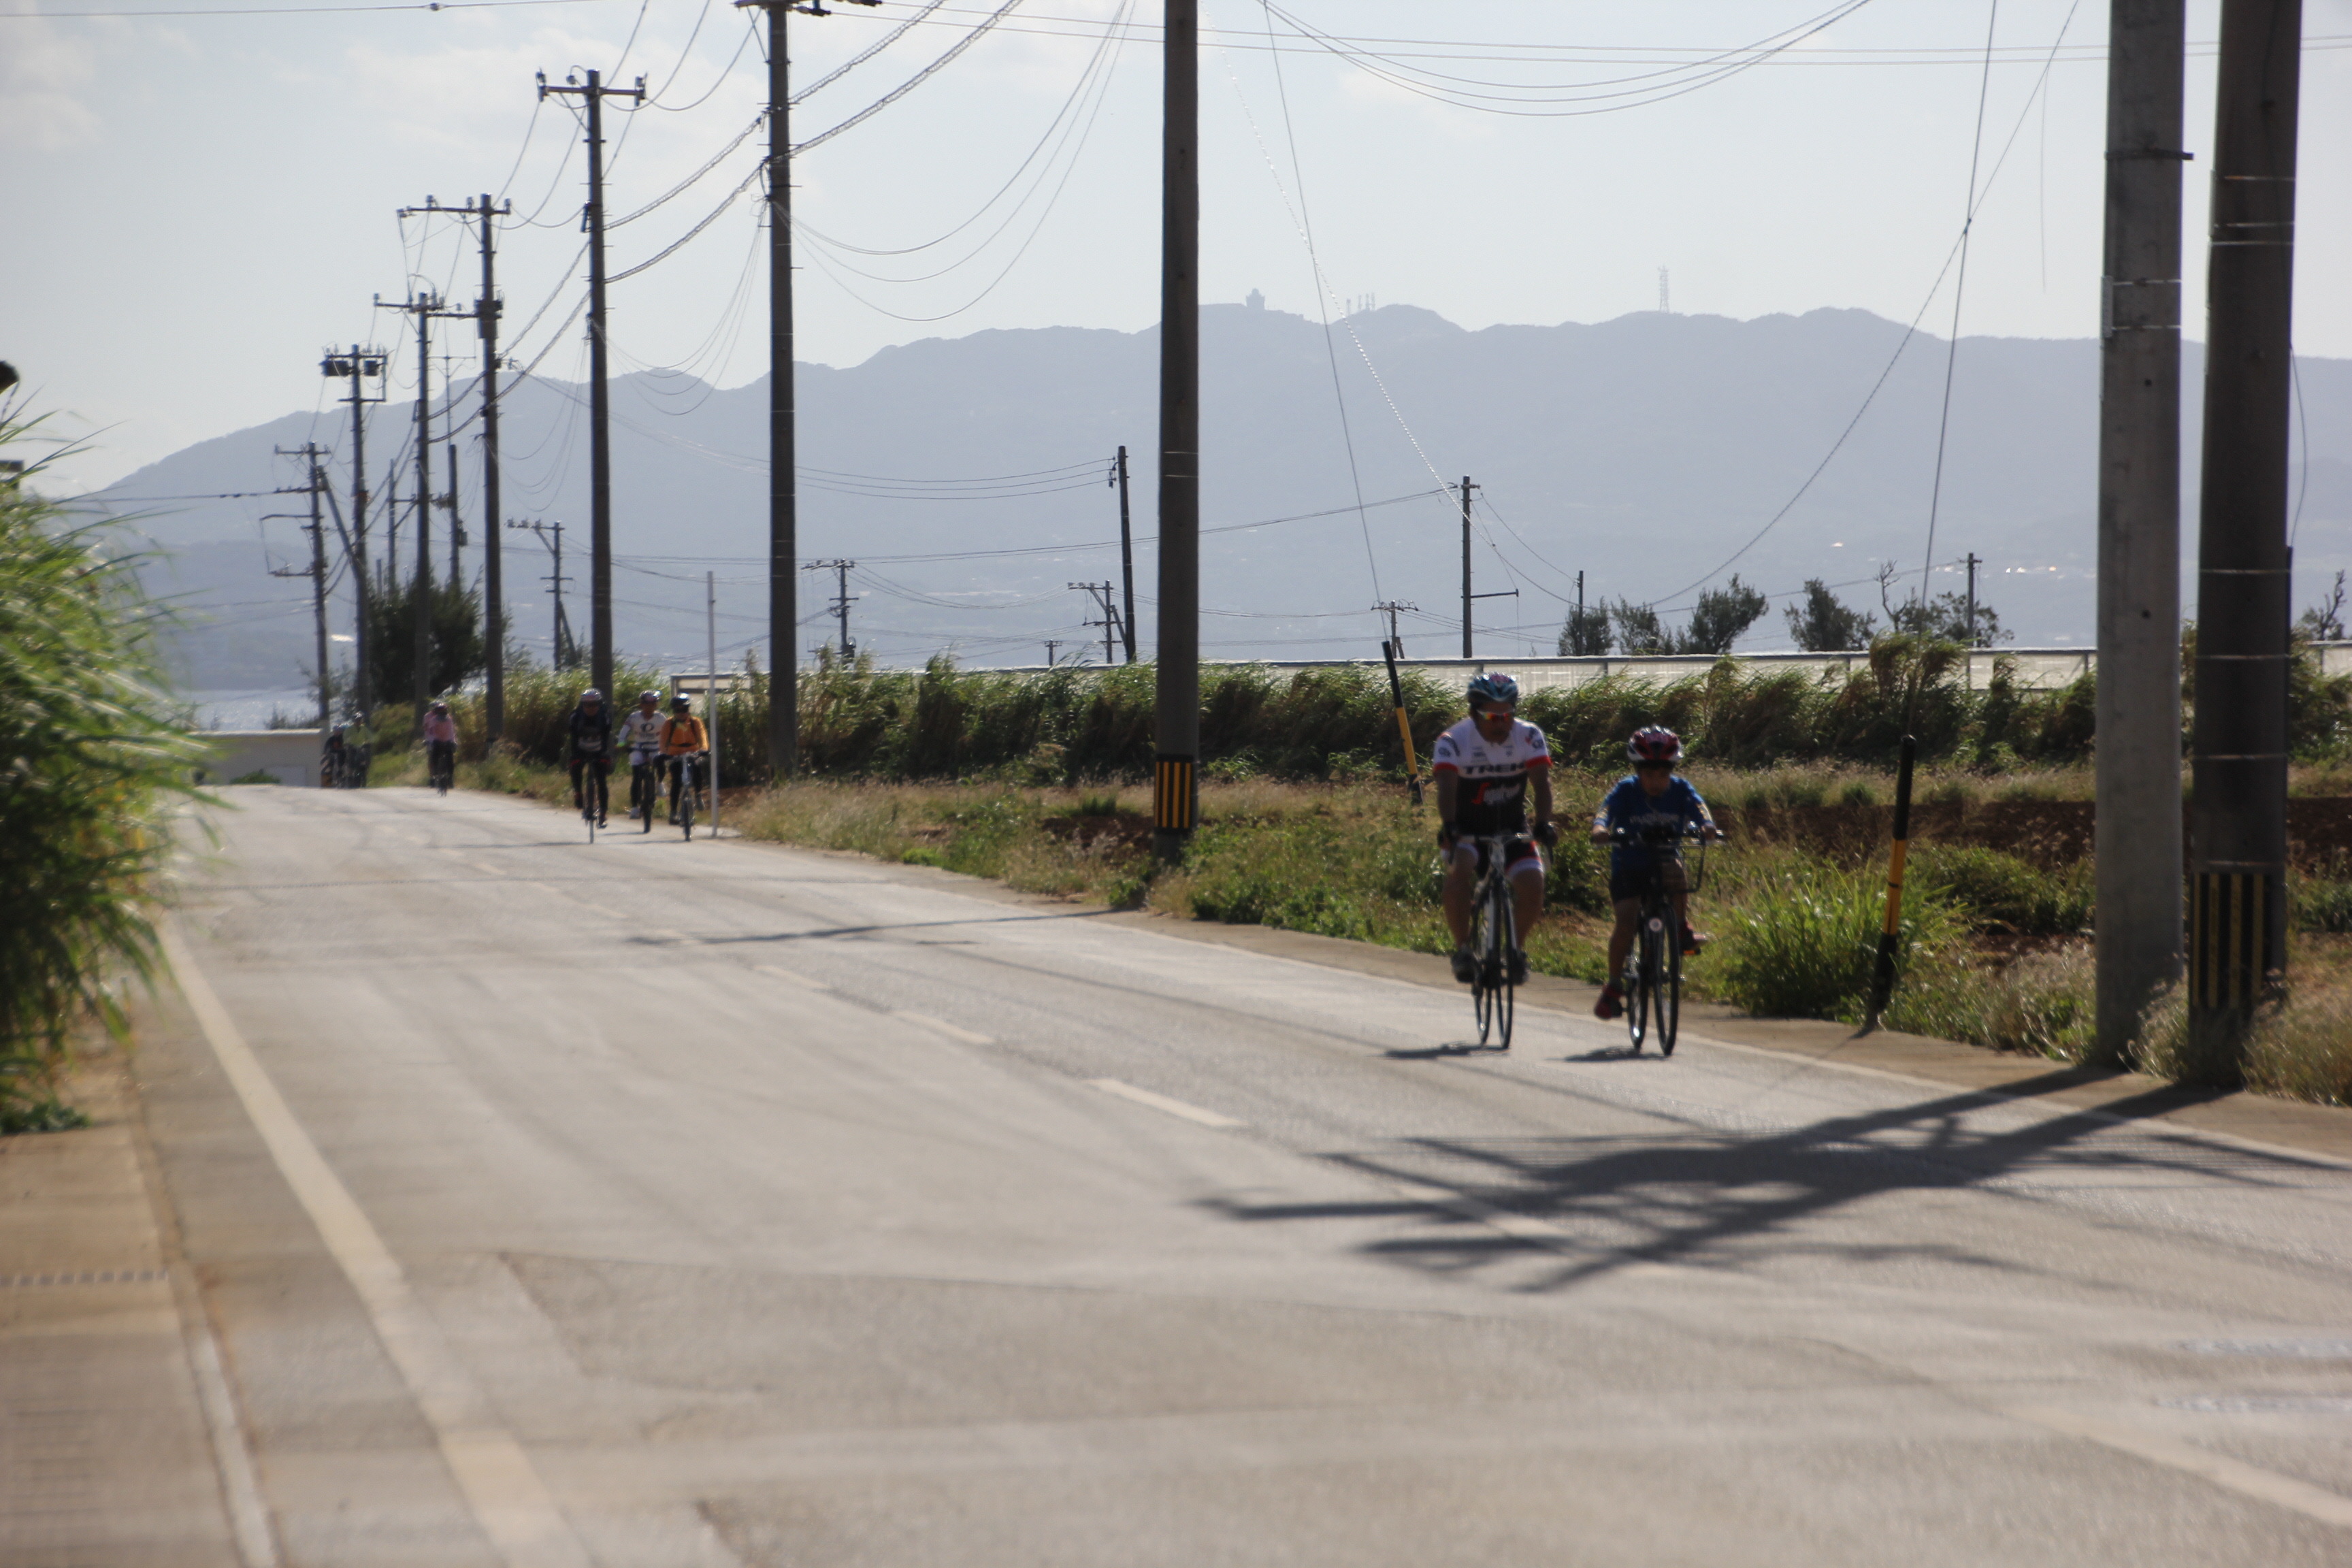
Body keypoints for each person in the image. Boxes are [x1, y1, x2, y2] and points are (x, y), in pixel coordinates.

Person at [1432, 672, 1558, 986]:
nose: (1501, 723)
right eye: (1492, 716)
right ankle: (1463, 949)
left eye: (1507, 715)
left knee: (1533, 883)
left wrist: (1543, 822)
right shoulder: (1453, 741)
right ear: (1474, 713)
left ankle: (1513, 950)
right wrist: (1449, 826)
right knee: (1459, 872)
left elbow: (1542, 785)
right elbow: (1446, 789)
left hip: (1511, 826)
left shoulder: (1528, 736)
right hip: (1467, 828)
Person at [1590, 725, 1720, 1022]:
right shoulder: (1625, 790)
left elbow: (1700, 809)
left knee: (1676, 870)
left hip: (1663, 859)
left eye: (1662, 775)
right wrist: (1600, 829)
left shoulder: (1682, 790)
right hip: (1629, 864)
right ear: (1637, 771)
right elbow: (1604, 812)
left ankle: (1680, 927)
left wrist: (1707, 826)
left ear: (1671, 772)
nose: (1655, 782)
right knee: (1626, 921)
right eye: (1648, 774)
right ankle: (1612, 985)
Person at [658, 693, 708, 824]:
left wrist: (703, 749)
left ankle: (698, 794)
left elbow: (702, 736)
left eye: (684, 710)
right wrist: (663, 753)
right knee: (676, 783)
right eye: (677, 710)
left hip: (692, 752)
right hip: (675, 753)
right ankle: (674, 812)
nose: (681, 713)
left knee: (697, 769)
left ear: (688, 709)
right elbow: (663, 740)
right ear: (674, 711)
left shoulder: (695, 722)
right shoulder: (669, 723)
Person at [567, 688, 614, 826]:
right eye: (587, 705)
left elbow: (606, 738)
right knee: (575, 766)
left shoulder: (605, 717)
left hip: (599, 750)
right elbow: (573, 738)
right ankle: (578, 792)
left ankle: (603, 812)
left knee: (602, 781)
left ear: (599, 705)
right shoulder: (575, 717)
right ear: (583, 705)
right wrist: (575, 755)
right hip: (580, 749)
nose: (591, 708)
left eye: (594, 705)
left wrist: (604, 755)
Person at [617, 690, 665, 820]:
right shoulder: (634, 717)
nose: (649, 707)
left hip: (655, 747)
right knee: (636, 776)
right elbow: (623, 734)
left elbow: (669, 733)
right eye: (646, 704)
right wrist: (622, 745)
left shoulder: (661, 718)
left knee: (661, 761)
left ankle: (660, 782)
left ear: (656, 705)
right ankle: (634, 807)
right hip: (638, 747)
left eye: (653, 704)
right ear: (641, 705)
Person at [421, 700, 457, 789]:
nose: (442, 712)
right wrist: (429, 740)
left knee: (450, 760)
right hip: (436, 741)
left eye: (444, 710)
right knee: (433, 757)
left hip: (447, 741)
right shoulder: (432, 719)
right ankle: (433, 776)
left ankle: (450, 778)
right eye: (440, 710)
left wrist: (453, 741)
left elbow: (451, 731)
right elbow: (430, 731)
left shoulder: (449, 719)